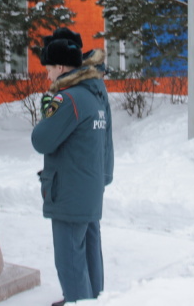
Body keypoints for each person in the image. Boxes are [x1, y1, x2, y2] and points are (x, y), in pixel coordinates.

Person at [31, 27, 114, 305]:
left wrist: (47, 115)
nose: (47, 74)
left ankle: (78, 300)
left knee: (69, 258)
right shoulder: (94, 94)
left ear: (62, 67)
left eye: (50, 68)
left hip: (68, 190)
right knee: (89, 250)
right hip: (89, 187)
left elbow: (41, 140)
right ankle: (92, 299)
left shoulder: (69, 99)